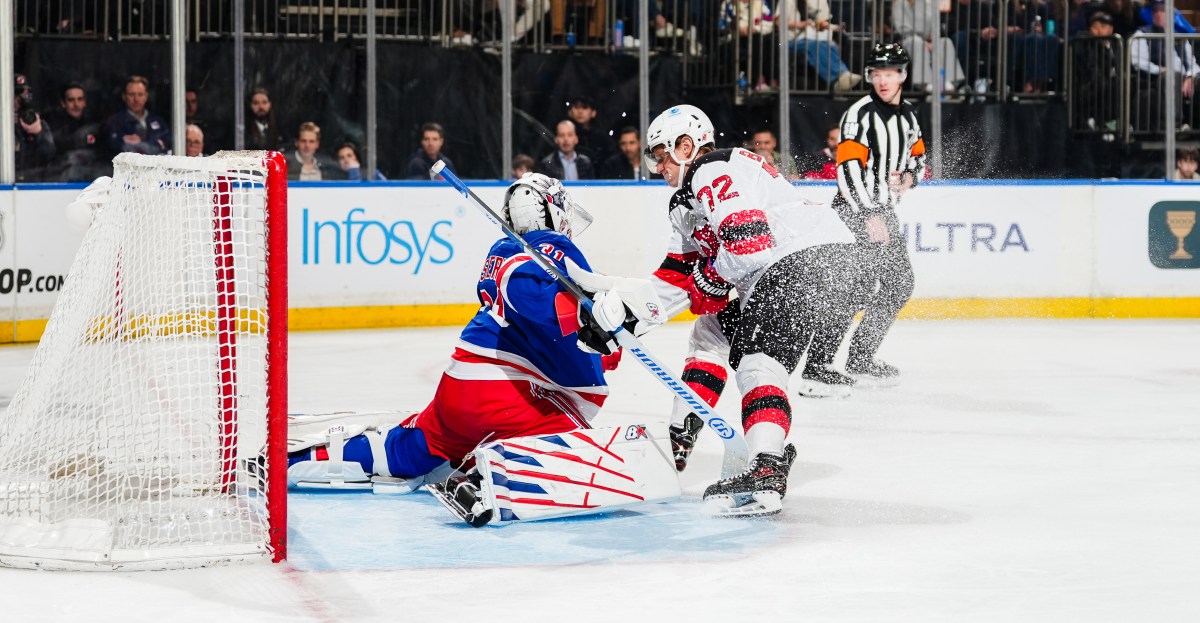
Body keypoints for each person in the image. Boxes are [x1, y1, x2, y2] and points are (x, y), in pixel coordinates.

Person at [285, 174, 671, 526]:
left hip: (462, 384)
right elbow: (532, 296)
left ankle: (290, 462)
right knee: (586, 453)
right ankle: (476, 475)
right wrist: (581, 310)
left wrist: (608, 326)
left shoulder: (505, 253)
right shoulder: (549, 248)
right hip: (512, 395)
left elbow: (570, 329)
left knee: (411, 449)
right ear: (552, 212)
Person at [643, 104, 871, 516]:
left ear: (686, 145)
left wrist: (709, 280)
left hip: (803, 261)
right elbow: (677, 277)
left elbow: (749, 244)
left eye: (662, 155)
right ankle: (682, 430)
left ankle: (766, 467)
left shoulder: (711, 168)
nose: (659, 166)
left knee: (759, 363)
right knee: (710, 332)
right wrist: (625, 310)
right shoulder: (686, 202)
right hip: (826, 264)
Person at [832, 43, 926, 381]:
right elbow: (847, 169)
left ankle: (859, 357)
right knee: (857, 287)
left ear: (902, 75)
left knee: (898, 283)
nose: (882, 81)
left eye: (889, 73)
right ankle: (819, 363)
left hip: (883, 212)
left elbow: (918, 160)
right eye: (876, 74)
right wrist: (868, 214)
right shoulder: (859, 114)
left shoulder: (910, 116)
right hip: (855, 211)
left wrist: (911, 177)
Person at [1130, 0, 1199, 131]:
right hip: (1156, 78)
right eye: (1155, 11)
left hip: (1184, 78)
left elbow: (1193, 63)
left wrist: (1190, 76)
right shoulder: (1142, 34)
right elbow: (1138, 62)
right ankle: (1175, 126)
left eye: (1162, 11)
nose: (1158, 14)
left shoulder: (1179, 37)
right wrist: (1161, 69)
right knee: (1172, 76)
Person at [785, 0, 863, 93]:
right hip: (791, 41)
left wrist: (832, 27)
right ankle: (839, 78)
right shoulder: (789, 1)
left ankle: (841, 78)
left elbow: (820, 23)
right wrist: (802, 24)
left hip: (814, 38)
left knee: (832, 46)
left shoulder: (821, 2)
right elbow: (779, 21)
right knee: (814, 45)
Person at [892, 0, 968, 93]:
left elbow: (935, 25)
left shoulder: (929, 3)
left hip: (928, 39)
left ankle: (949, 81)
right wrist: (924, 42)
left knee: (945, 42)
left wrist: (933, 39)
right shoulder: (901, 3)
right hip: (908, 39)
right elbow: (903, 28)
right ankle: (924, 83)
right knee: (917, 43)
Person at [44, 82, 102, 181]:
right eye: (71, 100)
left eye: (80, 99)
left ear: (85, 102)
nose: (76, 104)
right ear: (63, 103)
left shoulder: (96, 125)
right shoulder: (53, 127)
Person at [103, 75, 170, 156]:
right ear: (124, 97)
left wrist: (140, 144)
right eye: (131, 94)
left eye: (140, 94)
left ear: (146, 96)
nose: (136, 99)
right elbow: (114, 146)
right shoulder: (115, 122)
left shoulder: (158, 121)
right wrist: (155, 144)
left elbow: (168, 145)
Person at [13, 74, 56, 182]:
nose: (20, 100)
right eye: (16, 95)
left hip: (33, 187)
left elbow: (49, 155)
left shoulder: (38, 123)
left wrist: (38, 133)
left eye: (24, 95)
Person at [566, 96, 615, 165]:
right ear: (570, 112)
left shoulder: (601, 137)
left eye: (585, 107)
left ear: (593, 113)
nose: (580, 111)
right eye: (576, 107)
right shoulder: (563, 134)